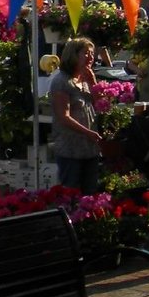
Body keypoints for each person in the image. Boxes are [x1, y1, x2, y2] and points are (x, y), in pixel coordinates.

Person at [48, 37, 102, 193]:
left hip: (90, 148)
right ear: (73, 55)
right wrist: (88, 132)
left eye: (92, 53)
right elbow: (63, 116)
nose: (91, 57)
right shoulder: (61, 81)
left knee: (90, 192)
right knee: (71, 192)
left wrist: (93, 82)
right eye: (86, 53)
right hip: (70, 148)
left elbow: (101, 106)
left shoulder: (85, 79)